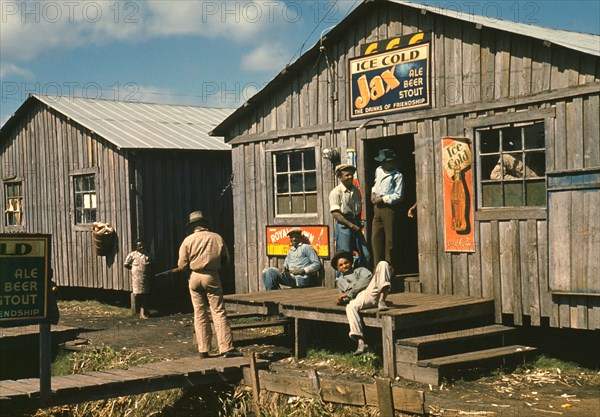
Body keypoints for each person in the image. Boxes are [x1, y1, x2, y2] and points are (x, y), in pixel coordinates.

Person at [173, 211, 240, 358]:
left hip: (194, 276)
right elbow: (226, 260)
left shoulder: (187, 240)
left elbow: (182, 264)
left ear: (193, 226)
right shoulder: (217, 238)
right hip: (211, 275)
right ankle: (226, 348)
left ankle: (203, 349)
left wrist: (188, 270)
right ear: (205, 224)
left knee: (199, 312)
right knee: (218, 311)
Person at [332, 250, 391, 355]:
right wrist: (341, 300)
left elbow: (367, 281)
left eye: (346, 262)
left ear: (351, 262)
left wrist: (349, 293)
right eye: (341, 265)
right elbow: (347, 297)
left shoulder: (361, 270)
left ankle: (382, 300)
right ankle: (360, 342)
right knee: (350, 307)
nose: (344, 266)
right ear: (338, 268)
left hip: (372, 290)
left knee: (383, 264)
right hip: (361, 298)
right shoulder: (340, 280)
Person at [329, 164, 371, 268]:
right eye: (347, 175)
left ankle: (361, 278)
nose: (350, 177)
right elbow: (336, 214)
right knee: (343, 258)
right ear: (340, 177)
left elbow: (358, 209)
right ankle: (341, 281)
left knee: (366, 255)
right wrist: (351, 225)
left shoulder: (355, 190)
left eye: (351, 175)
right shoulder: (336, 192)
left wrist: (358, 224)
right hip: (344, 226)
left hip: (355, 225)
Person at [370, 149, 404, 273]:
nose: (383, 165)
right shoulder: (379, 170)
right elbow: (375, 184)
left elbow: (398, 196)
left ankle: (390, 270)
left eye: (385, 162)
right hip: (377, 208)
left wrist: (382, 199)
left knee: (390, 241)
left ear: (391, 162)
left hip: (388, 208)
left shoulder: (397, 175)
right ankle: (377, 270)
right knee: (376, 238)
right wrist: (372, 193)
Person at [124, 239, 152, 319]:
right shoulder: (132, 255)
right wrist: (133, 269)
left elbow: (152, 263)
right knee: (137, 294)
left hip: (145, 277)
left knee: (145, 294)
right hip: (136, 278)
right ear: (136, 247)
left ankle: (143, 312)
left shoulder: (147, 255)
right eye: (139, 246)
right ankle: (141, 311)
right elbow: (126, 264)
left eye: (142, 245)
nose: (141, 247)